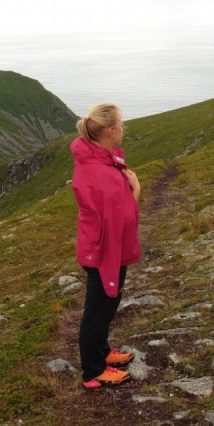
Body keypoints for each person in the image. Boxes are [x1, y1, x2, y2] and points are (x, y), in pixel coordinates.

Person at [70, 103, 141, 389]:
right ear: (111, 132)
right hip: (103, 250)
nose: (123, 130)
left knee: (108, 302)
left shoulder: (95, 160)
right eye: (122, 126)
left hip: (98, 244)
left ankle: (101, 350)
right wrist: (135, 191)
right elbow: (119, 219)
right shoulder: (104, 173)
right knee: (98, 308)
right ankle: (93, 370)